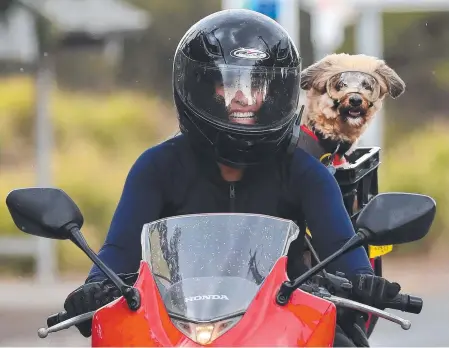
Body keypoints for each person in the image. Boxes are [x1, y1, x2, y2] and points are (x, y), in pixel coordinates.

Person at [62, 9, 401, 346]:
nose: (246, 98)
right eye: (229, 83)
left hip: (285, 322)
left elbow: (343, 248)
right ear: (201, 87)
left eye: (259, 85)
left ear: (277, 92)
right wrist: (94, 288)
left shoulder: (304, 171)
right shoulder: (158, 167)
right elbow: (118, 251)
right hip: (172, 325)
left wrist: (362, 280)